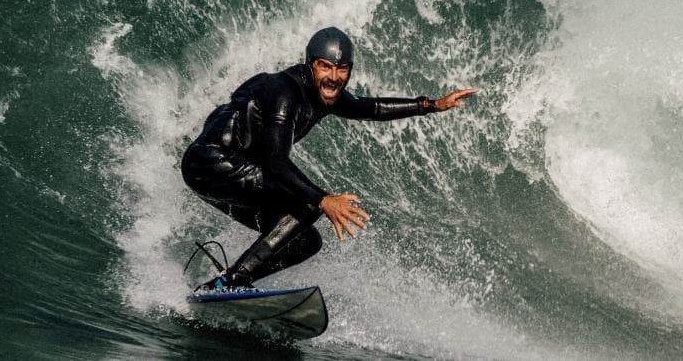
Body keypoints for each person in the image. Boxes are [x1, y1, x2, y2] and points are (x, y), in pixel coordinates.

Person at [181, 27, 478, 291]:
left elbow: (370, 108)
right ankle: (234, 281)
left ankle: (224, 284)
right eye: (325, 67)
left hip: (241, 172)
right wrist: (325, 200)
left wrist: (432, 105)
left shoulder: (328, 94)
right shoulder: (284, 92)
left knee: (305, 241)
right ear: (311, 65)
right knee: (309, 203)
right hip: (213, 165)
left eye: (342, 69)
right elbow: (276, 164)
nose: (334, 78)